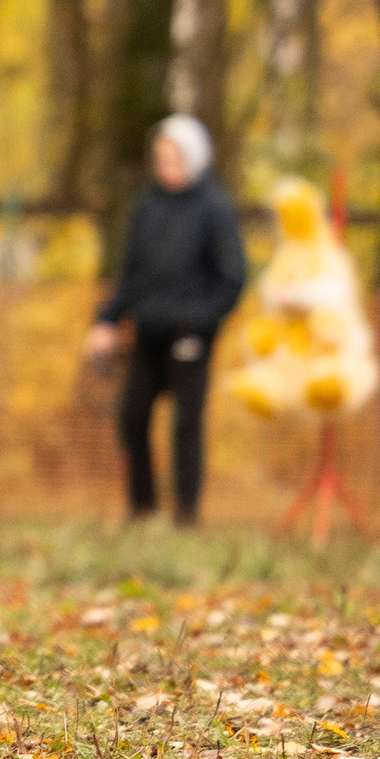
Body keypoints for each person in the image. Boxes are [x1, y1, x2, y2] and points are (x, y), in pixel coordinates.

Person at [84, 114, 246, 526]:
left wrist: (201, 321)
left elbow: (231, 278)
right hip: (148, 333)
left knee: (186, 427)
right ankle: (142, 508)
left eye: (172, 158)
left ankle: (187, 514)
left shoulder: (215, 210)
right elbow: (131, 274)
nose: (164, 166)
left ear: (193, 159)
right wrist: (106, 320)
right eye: (159, 158)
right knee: (132, 416)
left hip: (191, 335)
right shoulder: (147, 206)